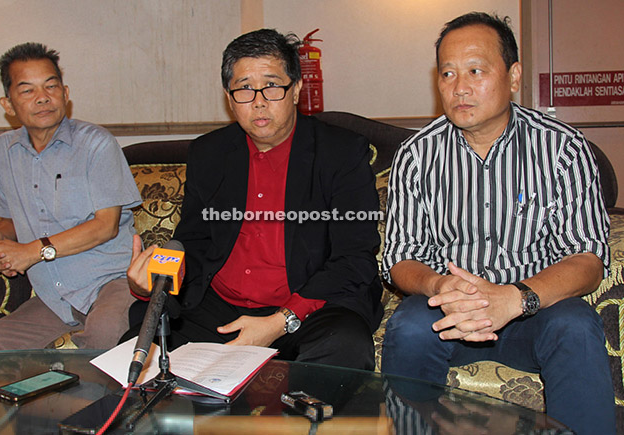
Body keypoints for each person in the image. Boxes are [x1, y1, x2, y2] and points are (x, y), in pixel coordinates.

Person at [381, 12, 615, 435]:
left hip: (537, 310)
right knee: (409, 326)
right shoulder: (416, 155)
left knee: (575, 326)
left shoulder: (563, 149)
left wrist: (516, 298)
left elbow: (588, 258)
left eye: (476, 71)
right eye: (448, 73)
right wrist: (438, 285)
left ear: (513, 76)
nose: (460, 87)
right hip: (449, 312)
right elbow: (400, 257)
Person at [123, 28, 383, 370]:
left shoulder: (341, 152)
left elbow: (355, 256)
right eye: (244, 88)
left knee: (344, 348)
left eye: (272, 86)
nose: (259, 101)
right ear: (229, 98)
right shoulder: (209, 153)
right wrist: (154, 282)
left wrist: (280, 321)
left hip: (310, 305)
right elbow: (195, 242)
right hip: (219, 306)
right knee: (142, 343)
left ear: (296, 90)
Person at [0, 42, 142, 351]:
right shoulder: (3, 151)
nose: (43, 98)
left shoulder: (96, 144)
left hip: (111, 282)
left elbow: (106, 226)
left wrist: (33, 251)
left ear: (65, 93)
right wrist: (0, 242)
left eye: (51, 86)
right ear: (8, 104)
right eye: (27, 91)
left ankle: (89, 400)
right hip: (54, 297)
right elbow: (12, 219)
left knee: (104, 333)